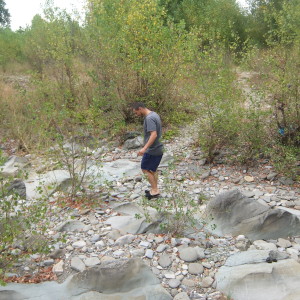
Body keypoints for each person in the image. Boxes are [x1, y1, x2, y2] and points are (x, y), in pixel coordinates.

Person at [132, 102, 163, 199]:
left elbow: (154, 134)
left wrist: (144, 148)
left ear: (140, 109)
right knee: (152, 170)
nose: (136, 114)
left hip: (152, 149)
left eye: (136, 112)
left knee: (145, 168)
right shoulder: (154, 114)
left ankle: (154, 191)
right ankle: (155, 189)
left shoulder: (149, 118)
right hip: (158, 148)